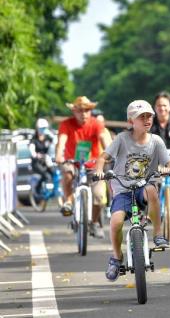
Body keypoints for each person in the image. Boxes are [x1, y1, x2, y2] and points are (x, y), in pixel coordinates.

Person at [94, 100, 170, 281]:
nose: (146, 120)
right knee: (115, 223)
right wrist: (99, 170)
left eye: (149, 116)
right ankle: (116, 257)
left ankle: (158, 234)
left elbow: (169, 162)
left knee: (152, 191)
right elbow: (103, 157)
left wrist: (167, 168)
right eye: (141, 117)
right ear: (131, 121)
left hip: (144, 186)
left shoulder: (156, 141)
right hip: (122, 188)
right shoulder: (122, 139)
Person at [55, 96, 111, 238]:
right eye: (79, 111)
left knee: (99, 195)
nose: (83, 114)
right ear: (74, 111)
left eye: (87, 110)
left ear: (91, 111)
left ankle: (94, 223)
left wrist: (109, 154)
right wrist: (59, 155)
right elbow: (61, 141)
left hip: (93, 164)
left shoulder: (97, 124)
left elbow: (104, 139)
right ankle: (68, 201)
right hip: (73, 162)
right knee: (67, 173)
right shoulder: (66, 124)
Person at [29, 118, 54, 195]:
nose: (43, 130)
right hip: (37, 163)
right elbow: (32, 150)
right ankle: (37, 188)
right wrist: (36, 155)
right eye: (42, 128)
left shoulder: (48, 138)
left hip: (46, 161)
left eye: (45, 128)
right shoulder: (34, 139)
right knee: (45, 175)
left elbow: (55, 144)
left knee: (54, 173)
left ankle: (53, 191)